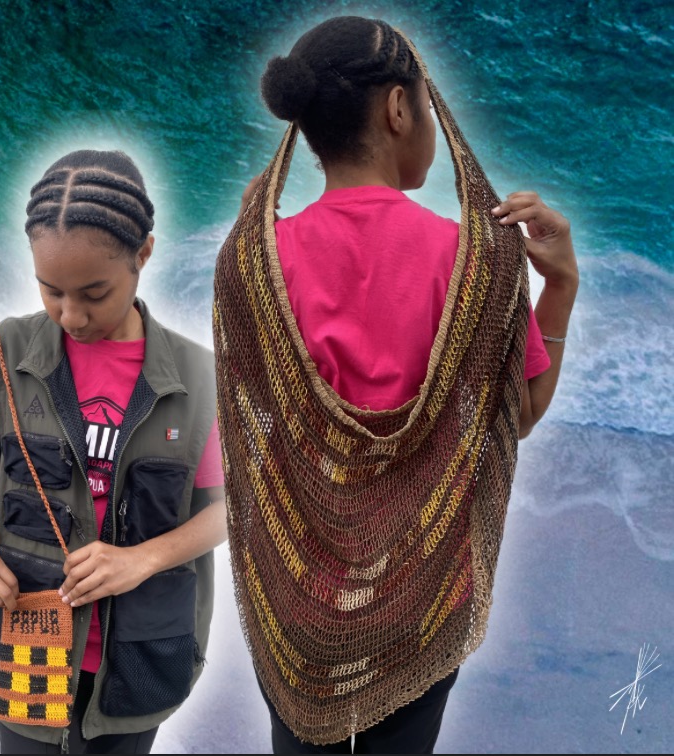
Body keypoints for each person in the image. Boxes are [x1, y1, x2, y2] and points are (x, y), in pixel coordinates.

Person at [220, 15, 579, 754]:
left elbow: (257, 433)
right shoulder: (471, 262)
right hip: (420, 595)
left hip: (300, 597)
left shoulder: (256, 262)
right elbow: (518, 416)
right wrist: (561, 286)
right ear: (397, 108)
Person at [0, 149, 227, 754]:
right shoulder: (3, 350)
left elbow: (234, 507)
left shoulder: (198, 381)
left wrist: (144, 558)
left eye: (95, 292)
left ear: (143, 253)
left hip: (140, 655)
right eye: (51, 292)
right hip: (25, 642)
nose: (72, 315)